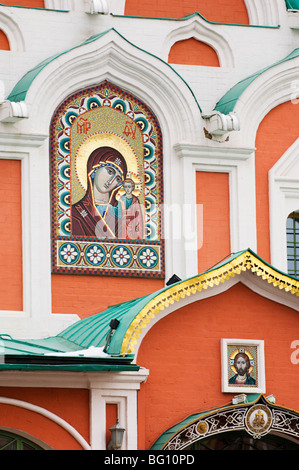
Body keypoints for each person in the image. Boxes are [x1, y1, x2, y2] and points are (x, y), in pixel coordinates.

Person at [71, 146, 127, 238]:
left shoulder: (120, 214)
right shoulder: (76, 212)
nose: (111, 181)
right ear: (94, 169)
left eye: (117, 179)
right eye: (110, 171)